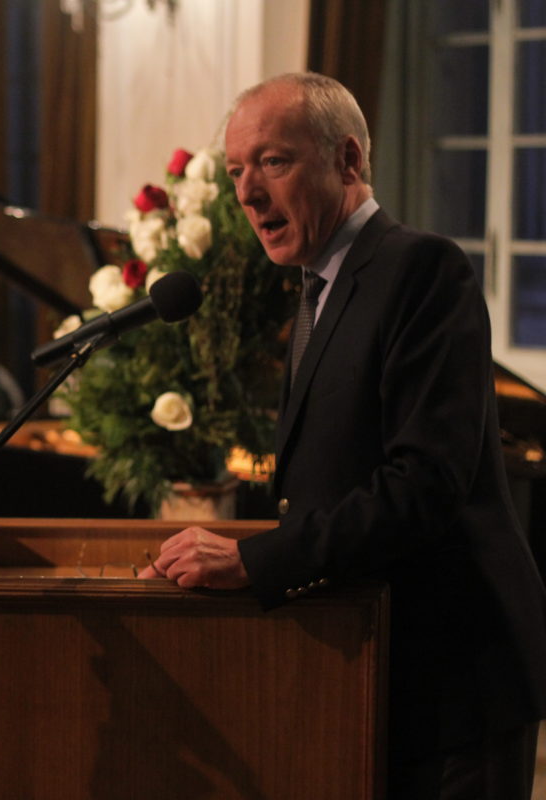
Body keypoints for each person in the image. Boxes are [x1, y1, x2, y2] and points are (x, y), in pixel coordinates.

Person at [139, 72, 546, 798]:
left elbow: (424, 483)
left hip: (454, 674)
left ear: (348, 160)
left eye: (272, 161)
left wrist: (256, 561)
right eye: (236, 171)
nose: (246, 193)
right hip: (373, 665)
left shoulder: (421, 269)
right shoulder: (317, 286)